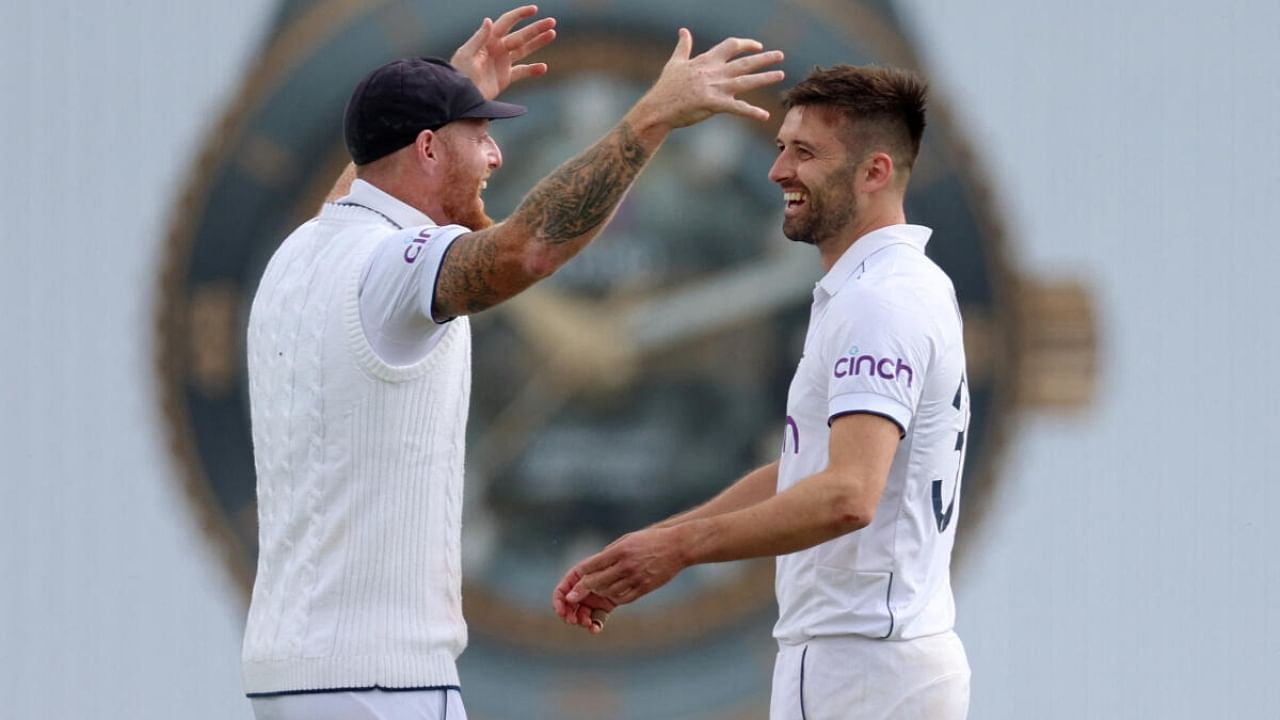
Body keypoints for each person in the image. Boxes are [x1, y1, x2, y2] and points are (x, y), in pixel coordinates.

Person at [240, 4, 785, 718]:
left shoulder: (301, 254)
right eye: (480, 137)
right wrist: (649, 119)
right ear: (430, 149)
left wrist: (441, 89)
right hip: (380, 682)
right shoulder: (395, 267)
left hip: (290, 672)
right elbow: (526, 249)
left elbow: (367, 183)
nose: (496, 157)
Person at [554, 65, 971, 719]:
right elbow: (810, 473)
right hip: (862, 657)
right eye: (781, 148)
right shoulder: (882, 289)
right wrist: (661, 542)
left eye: (804, 153)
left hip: (862, 663)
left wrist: (681, 548)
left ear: (875, 172)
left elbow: (847, 495)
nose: (778, 171)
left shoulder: (880, 302)